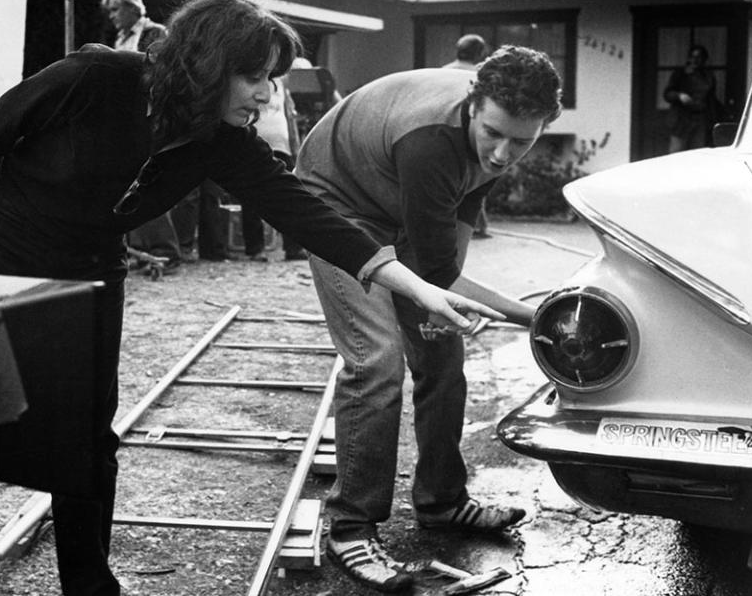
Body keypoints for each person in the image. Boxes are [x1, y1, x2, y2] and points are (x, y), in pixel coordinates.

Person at [0, 0, 501, 596]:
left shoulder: (221, 140)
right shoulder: (96, 75)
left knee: (84, 430)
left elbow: (306, 214)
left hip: (90, 274)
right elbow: (4, 120)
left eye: (270, 79)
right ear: (209, 64)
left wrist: (415, 287)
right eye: (254, 77)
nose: (266, 94)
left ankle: (88, 582)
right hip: (4, 259)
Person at [295, 45, 562, 593]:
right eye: (493, 133)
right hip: (335, 206)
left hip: (390, 202)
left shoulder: (492, 143)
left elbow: (446, 268)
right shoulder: (432, 143)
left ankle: (442, 502)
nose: (502, 153)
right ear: (472, 102)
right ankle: (350, 526)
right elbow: (441, 279)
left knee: (442, 349)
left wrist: (484, 310)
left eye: (522, 141)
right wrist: (537, 315)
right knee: (378, 361)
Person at [101, 0, 182, 271]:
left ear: (133, 8)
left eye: (115, 9)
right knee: (127, 180)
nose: (111, 16)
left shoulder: (155, 33)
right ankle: (144, 251)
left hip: (152, 115)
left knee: (147, 179)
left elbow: (163, 74)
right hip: (125, 117)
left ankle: (166, 250)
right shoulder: (121, 37)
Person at [239, 74, 307, 261]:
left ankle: (293, 247)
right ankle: (255, 248)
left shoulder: (282, 83)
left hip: (281, 144)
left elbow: (289, 114)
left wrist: (295, 145)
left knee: (290, 196)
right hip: (255, 142)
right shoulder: (251, 79)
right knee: (252, 196)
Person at [443, 33, 491, 237]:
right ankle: (478, 227)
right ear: (479, 53)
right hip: (470, 135)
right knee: (474, 183)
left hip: (443, 132)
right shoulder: (481, 74)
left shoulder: (443, 71)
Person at [663, 44, 724, 153]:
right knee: (676, 155)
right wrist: (679, 96)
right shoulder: (680, 74)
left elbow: (711, 99)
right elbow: (667, 94)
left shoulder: (709, 76)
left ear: (704, 59)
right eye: (693, 57)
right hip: (681, 121)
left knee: (697, 154)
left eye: (699, 57)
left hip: (700, 121)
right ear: (689, 58)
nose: (695, 60)